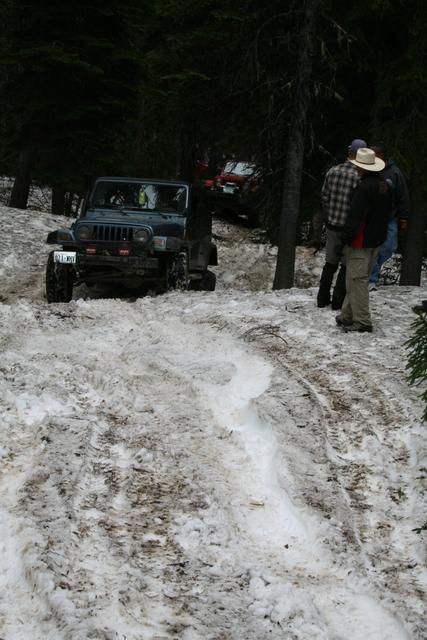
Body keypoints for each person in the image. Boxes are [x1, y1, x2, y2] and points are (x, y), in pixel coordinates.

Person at [336, 148, 393, 332]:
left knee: (356, 281)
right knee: (357, 279)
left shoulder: (363, 188)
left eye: (357, 165)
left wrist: (343, 239)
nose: (355, 168)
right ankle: (347, 315)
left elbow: (355, 217)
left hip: (361, 241)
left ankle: (362, 321)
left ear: (362, 167)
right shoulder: (384, 185)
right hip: (376, 240)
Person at [317, 138, 367, 309]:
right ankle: (338, 301)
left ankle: (322, 298)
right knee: (346, 265)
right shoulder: (359, 177)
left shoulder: (333, 171)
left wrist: (330, 213)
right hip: (349, 229)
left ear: (349, 152)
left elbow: (324, 196)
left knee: (330, 263)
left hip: (332, 224)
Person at [368, 143, 410, 290]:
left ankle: (373, 268)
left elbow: (402, 196)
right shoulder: (369, 169)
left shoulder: (394, 172)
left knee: (389, 246)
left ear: (381, 155)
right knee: (372, 248)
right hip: (372, 216)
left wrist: (404, 217)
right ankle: (371, 279)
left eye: (374, 153)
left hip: (390, 216)